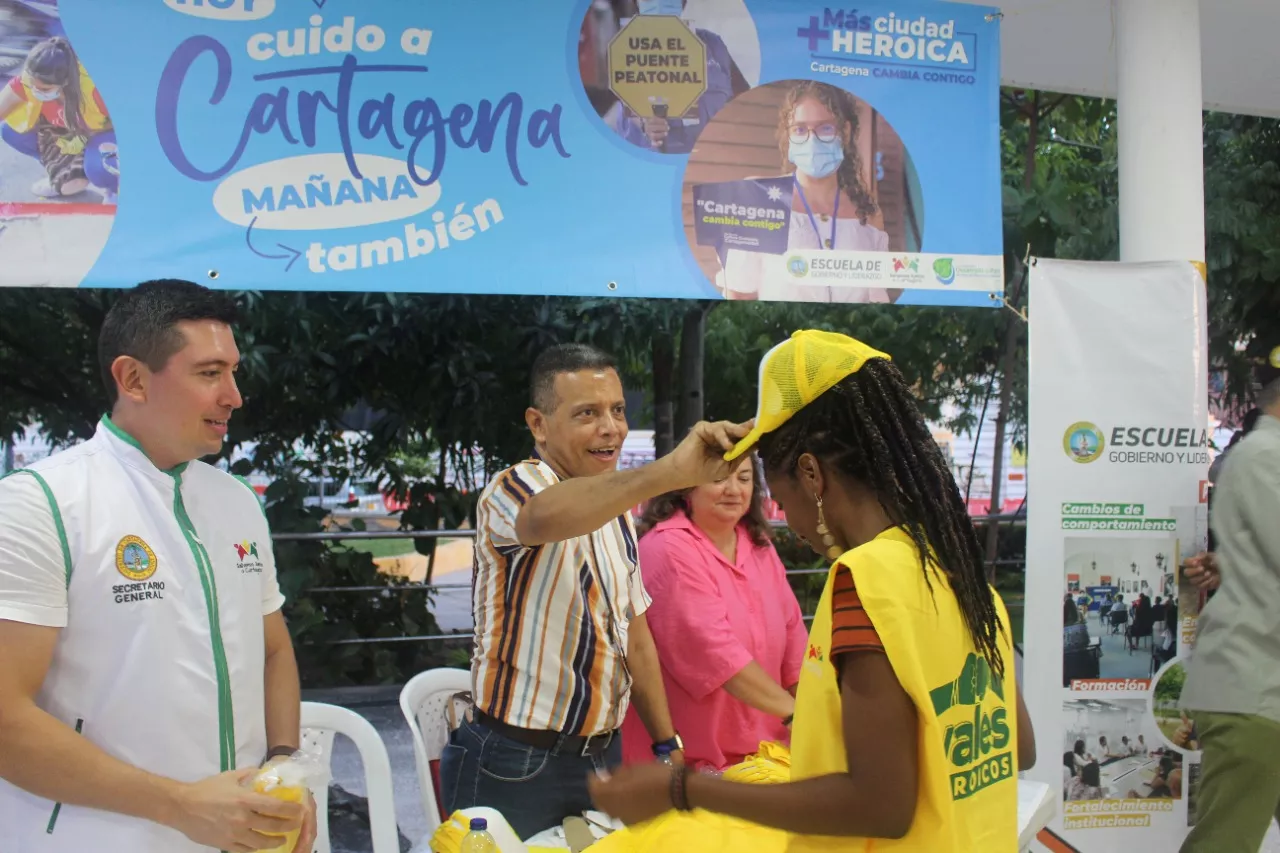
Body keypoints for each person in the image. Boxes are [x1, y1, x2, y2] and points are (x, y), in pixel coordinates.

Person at [590, 330, 1036, 851]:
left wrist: (684, 789)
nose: (793, 524)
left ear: (812, 475)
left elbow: (880, 806)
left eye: (780, 496)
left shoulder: (866, 579)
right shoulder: (952, 566)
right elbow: (1019, 747)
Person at [0, 280, 315, 852]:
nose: (234, 396)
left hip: (239, 837)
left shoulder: (236, 501)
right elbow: (4, 719)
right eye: (208, 373)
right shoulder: (41, 503)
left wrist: (286, 768)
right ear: (134, 379)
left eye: (234, 372)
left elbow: (272, 649)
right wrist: (177, 805)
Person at [439, 342, 749, 839]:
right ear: (539, 425)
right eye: (588, 413)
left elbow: (635, 632)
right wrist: (672, 471)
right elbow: (543, 516)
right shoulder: (512, 487)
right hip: (515, 759)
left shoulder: (616, 514)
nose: (611, 428)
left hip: (603, 756)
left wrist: (667, 744)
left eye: (618, 411)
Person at [619, 453, 807, 771]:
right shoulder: (666, 548)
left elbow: (794, 639)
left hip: (768, 753)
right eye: (719, 478)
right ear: (685, 486)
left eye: (744, 479)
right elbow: (713, 652)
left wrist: (814, 713)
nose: (734, 490)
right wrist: (796, 714)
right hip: (689, 763)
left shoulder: (761, 546)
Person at [1179, 365, 1280, 853]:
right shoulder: (1266, 457)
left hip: (1262, 689)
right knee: (1226, 843)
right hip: (1257, 689)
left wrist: (1230, 564)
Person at [717, 81, 897, 304]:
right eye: (800, 129)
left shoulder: (869, 213)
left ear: (846, 132)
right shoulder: (757, 198)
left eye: (825, 128)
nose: (812, 140)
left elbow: (877, 300)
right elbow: (739, 294)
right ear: (789, 135)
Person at [607, 0, 749, 155]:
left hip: (714, 164)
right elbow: (628, 103)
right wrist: (645, 124)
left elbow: (746, 100)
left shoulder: (712, 44)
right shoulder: (625, 47)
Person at [0, 36, 118, 202]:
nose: (35, 90)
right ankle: (61, 172)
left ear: (66, 82)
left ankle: (116, 190)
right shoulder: (31, 79)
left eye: (44, 88)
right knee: (11, 132)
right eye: (32, 85)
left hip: (102, 133)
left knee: (101, 169)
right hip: (69, 134)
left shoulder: (95, 89)